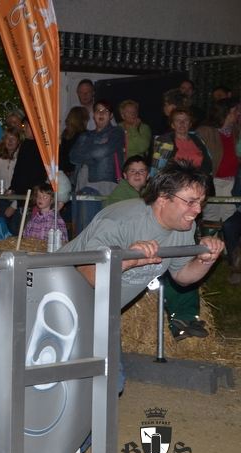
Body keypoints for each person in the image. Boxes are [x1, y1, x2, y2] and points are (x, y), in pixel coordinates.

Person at [60, 159, 224, 310]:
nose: (198, 210)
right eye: (191, 202)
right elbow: (85, 275)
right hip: (57, 296)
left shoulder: (184, 227)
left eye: (201, 202)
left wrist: (205, 260)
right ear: (163, 198)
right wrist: (126, 260)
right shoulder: (121, 221)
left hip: (97, 314)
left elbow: (181, 275)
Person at [69, 99, 125, 233]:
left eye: (105, 111)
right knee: (82, 227)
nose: (101, 113)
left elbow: (103, 151)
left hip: (105, 183)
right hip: (81, 182)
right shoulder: (85, 135)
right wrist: (93, 155)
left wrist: (86, 154)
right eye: (98, 110)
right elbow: (73, 156)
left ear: (111, 115)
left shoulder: (116, 132)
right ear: (93, 115)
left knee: (100, 227)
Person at [196, 98, 240, 223]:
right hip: (213, 180)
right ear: (225, 112)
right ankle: (210, 236)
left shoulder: (236, 130)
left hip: (232, 180)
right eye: (235, 111)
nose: (238, 113)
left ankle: (225, 237)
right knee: (211, 215)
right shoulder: (205, 131)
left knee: (230, 214)